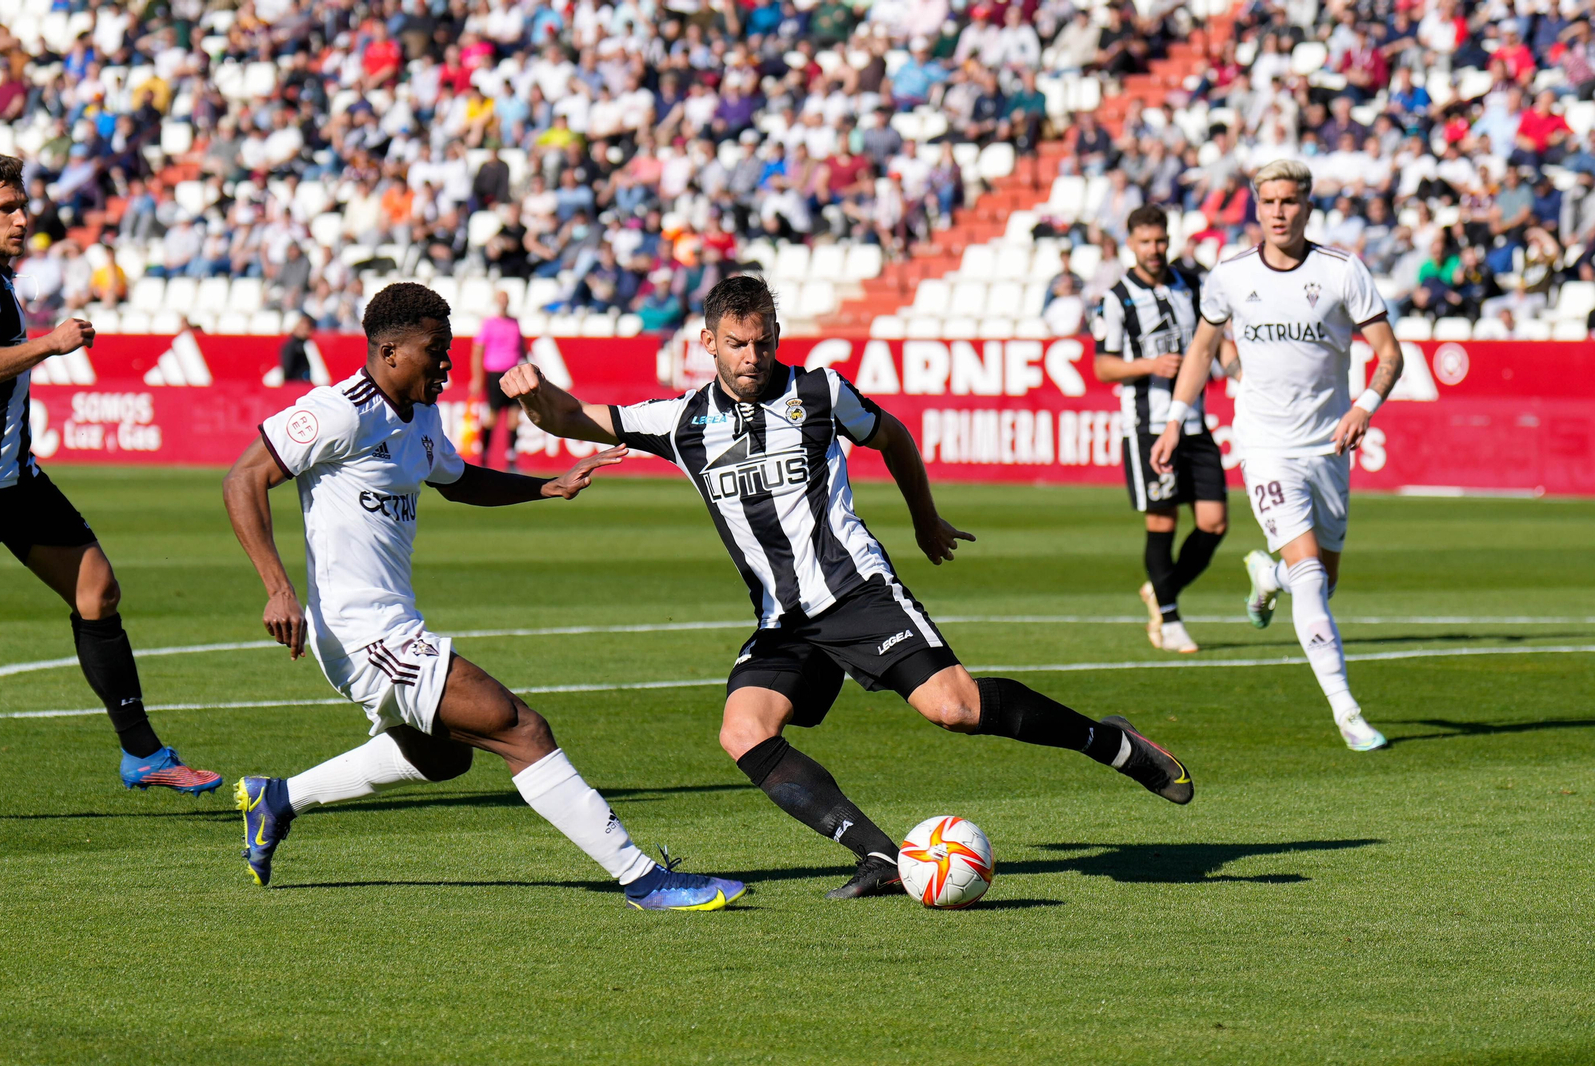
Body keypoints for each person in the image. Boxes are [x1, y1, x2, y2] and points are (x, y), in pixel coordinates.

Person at [504, 275, 1194, 901]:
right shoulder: (682, 421)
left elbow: (892, 436)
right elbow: (571, 418)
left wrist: (925, 521)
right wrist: (534, 395)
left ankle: (1113, 743)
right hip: (785, 618)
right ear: (708, 342)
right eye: (739, 344)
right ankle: (879, 857)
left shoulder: (818, 393)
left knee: (954, 710)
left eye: (764, 342)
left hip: (856, 592)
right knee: (742, 731)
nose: (753, 357)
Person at [221, 282, 745, 911]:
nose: (447, 363)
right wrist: (278, 587)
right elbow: (244, 477)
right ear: (389, 352)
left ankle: (276, 799)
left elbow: (458, 478)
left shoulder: (419, 416)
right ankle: (644, 879)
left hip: (390, 623)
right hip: (366, 635)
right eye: (434, 350)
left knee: (440, 759)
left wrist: (543, 488)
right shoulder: (337, 411)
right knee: (520, 727)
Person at [1150, 159, 1405, 752]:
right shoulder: (1231, 275)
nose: (1279, 212)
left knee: (1321, 577)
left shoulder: (1344, 271)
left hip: (1330, 446)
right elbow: (1202, 348)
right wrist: (1173, 421)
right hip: (1265, 445)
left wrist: (1365, 404)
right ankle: (1347, 710)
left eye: (1290, 201)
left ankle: (1269, 574)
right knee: (1312, 579)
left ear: (1308, 206)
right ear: (1256, 208)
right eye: (1269, 203)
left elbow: (1389, 353)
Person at [0, 153, 221, 793]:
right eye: (6, 209)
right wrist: (48, 343)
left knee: (98, 591)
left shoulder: (2, 277)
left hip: (15, 483)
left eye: (22, 205)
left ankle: (145, 757)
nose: (21, 218)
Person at [1094, 205, 1231, 654]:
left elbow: (1215, 340)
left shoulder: (1190, 284)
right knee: (1163, 519)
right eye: (1146, 242)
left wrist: (1237, 369)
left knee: (1214, 523)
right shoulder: (1117, 298)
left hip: (1194, 421)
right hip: (1148, 426)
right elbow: (1102, 365)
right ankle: (1170, 620)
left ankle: (1161, 586)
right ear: (1131, 243)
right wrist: (1149, 365)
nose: (1155, 250)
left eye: (1161, 241)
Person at [468, 290, 525, 469]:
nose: (503, 303)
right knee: (492, 415)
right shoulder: (489, 324)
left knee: (514, 416)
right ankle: (484, 457)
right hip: (495, 374)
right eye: (500, 300)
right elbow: (478, 351)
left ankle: (511, 459)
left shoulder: (515, 322)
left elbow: (521, 347)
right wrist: (477, 378)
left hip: (514, 372)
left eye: (506, 300)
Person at [277, 313, 317, 383]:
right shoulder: (291, 346)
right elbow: (287, 369)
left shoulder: (309, 345)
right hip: (296, 384)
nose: (305, 329)